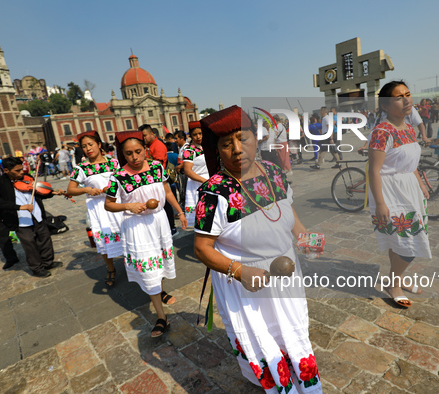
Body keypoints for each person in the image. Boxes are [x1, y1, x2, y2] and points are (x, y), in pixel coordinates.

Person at [194, 105, 321, 393]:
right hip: (247, 281)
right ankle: (278, 384)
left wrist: (308, 242)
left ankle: (301, 378)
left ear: (257, 138)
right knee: (263, 336)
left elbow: (290, 214)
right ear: (217, 151)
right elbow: (202, 248)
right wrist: (239, 271)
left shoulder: (275, 173)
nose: (238, 149)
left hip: (285, 272)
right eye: (227, 144)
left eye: (244, 138)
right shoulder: (214, 192)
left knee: (293, 329)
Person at [104, 131, 187, 337]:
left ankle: (158, 290)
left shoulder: (158, 167)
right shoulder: (118, 177)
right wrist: (128, 206)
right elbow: (108, 204)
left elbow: (167, 191)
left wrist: (180, 211)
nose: (134, 157)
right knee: (149, 269)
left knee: (159, 261)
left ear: (145, 150)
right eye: (129, 153)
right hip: (137, 227)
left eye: (138, 151)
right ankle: (161, 317)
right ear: (123, 154)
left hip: (159, 222)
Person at [367, 81, 431, 308]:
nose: (406, 100)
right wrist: (381, 204)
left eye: (407, 94)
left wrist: (421, 183)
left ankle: (398, 279)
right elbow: (374, 169)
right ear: (385, 105)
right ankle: (394, 285)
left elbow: (410, 162)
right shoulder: (382, 132)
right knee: (409, 244)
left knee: (399, 242)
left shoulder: (409, 128)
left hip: (409, 190)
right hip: (390, 192)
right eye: (398, 97)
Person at [0, 157, 65, 277]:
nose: (21, 173)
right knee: (30, 245)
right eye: (17, 171)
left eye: (22, 169)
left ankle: (47, 262)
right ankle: (37, 268)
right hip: (20, 219)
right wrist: (19, 207)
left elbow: (38, 194)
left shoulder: (27, 178)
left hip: (37, 214)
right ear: (7, 170)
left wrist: (52, 193)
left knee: (45, 239)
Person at [67, 131, 123, 287]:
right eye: (84, 146)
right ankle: (111, 269)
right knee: (105, 240)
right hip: (99, 208)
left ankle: (131, 263)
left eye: (90, 144)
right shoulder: (81, 168)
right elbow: (70, 190)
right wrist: (87, 190)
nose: (87, 149)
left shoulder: (114, 162)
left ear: (99, 144)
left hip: (118, 204)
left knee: (126, 234)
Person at [140, 124, 177, 236]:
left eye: (145, 135)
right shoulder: (147, 146)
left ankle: (171, 228)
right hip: (153, 182)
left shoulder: (158, 146)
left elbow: (158, 165)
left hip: (160, 181)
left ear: (152, 134)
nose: (144, 138)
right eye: (142, 136)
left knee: (165, 205)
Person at [182, 121, 210, 227]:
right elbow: (188, 171)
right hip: (196, 183)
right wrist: (205, 181)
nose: (198, 137)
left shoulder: (208, 147)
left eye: (200, 133)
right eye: (195, 134)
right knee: (200, 213)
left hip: (210, 179)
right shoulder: (189, 150)